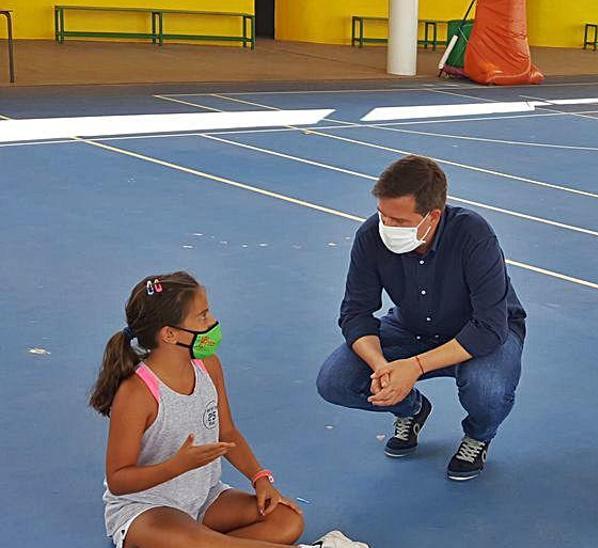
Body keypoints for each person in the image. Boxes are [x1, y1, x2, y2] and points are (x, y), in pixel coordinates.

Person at [93, 272, 365, 548]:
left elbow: (227, 431)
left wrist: (260, 478)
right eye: (202, 316)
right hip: (148, 509)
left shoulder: (208, 365)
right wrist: (175, 466)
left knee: (286, 520)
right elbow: (118, 480)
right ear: (170, 334)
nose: (212, 322)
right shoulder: (136, 393)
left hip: (204, 498)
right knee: (203, 542)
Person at [316, 154, 526, 480]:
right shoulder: (371, 236)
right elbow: (356, 312)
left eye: (400, 222)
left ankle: (478, 436)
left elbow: (488, 327)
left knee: (487, 388)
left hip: (483, 331)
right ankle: (412, 408)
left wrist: (413, 367)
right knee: (335, 382)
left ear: (433, 217)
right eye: (383, 216)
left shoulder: (474, 235)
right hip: (411, 326)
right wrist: (382, 367)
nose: (387, 227)